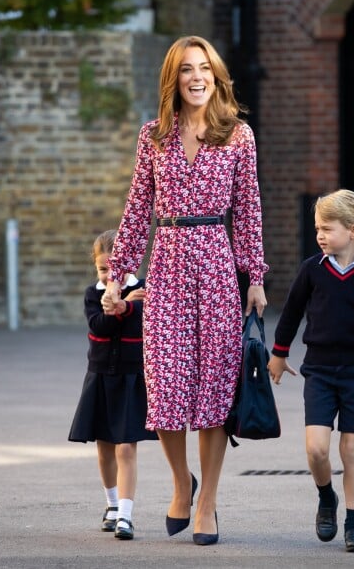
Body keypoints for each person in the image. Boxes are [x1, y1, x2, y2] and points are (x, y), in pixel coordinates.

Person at [102, 35, 268, 546]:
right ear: (172, 79)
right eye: (186, 70)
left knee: (214, 393)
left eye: (205, 69)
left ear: (216, 77)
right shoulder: (153, 136)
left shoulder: (238, 136)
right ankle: (181, 484)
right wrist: (118, 277)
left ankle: (209, 503)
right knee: (168, 388)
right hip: (168, 267)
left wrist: (255, 276)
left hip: (216, 267)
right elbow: (135, 214)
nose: (197, 77)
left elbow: (248, 211)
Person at [268, 189, 354, 553]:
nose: (320, 235)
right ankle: (326, 496)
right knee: (316, 450)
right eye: (317, 228)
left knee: (351, 450)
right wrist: (279, 355)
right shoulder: (311, 270)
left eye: (327, 228)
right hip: (319, 369)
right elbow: (291, 314)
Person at [68, 229, 157, 541]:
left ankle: (126, 515)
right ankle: (111, 504)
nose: (108, 275)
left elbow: (144, 317)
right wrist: (121, 306)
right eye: (102, 269)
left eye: (114, 269)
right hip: (101, 377)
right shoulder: (93, 294)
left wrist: (127, 306)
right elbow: (99, 326)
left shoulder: (144, 290)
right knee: (104, 448)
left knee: (126, 448)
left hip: (132, 378)